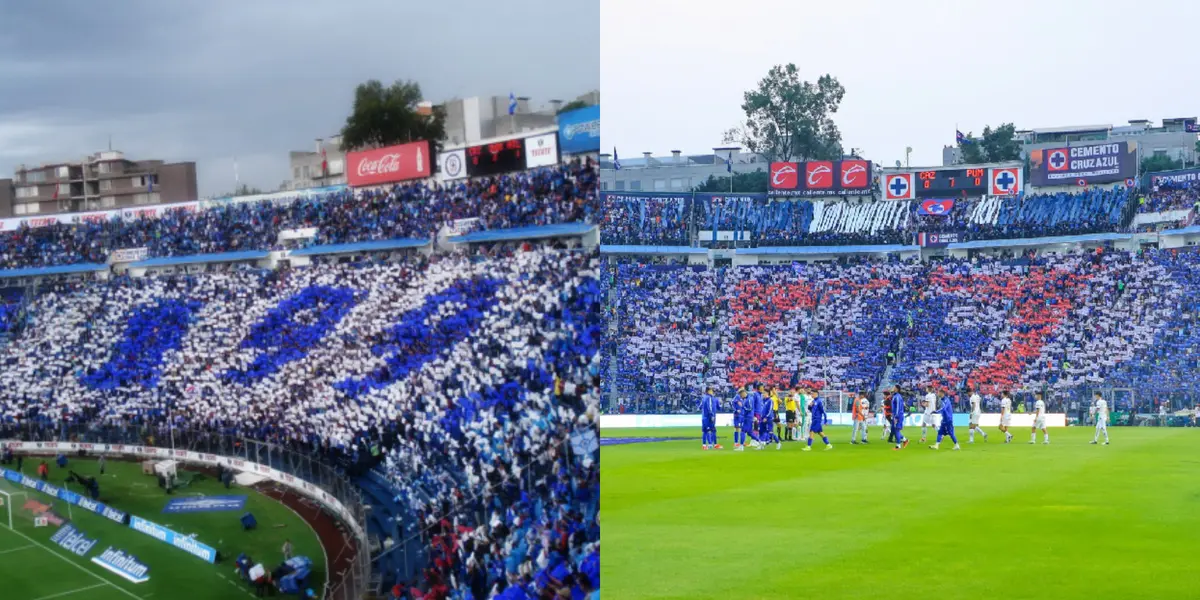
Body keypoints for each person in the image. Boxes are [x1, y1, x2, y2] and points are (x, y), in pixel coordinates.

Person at [759, 386, 782, 450]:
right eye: (763, 393)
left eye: (764, 393)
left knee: (770, 432)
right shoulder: (762, 400)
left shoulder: (770, 401)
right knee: (761, 431)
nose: (763, 394)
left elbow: (770, 410)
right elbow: (761, 409)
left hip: (768, 418)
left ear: (767, 394)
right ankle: (761, 445)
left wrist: (766, 417)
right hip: (762, 418)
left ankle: (778, 443)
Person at [890, 386, 909, 450]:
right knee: (894, 430)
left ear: (897, 389)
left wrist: (896, 416)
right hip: (895, 415)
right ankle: (905, 440)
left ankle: (898, 446)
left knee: (897, 430)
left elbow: (898, 407)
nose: (893, 388)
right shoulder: (895, 396)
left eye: (894, 387)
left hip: (898, 415)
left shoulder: (897, 397)